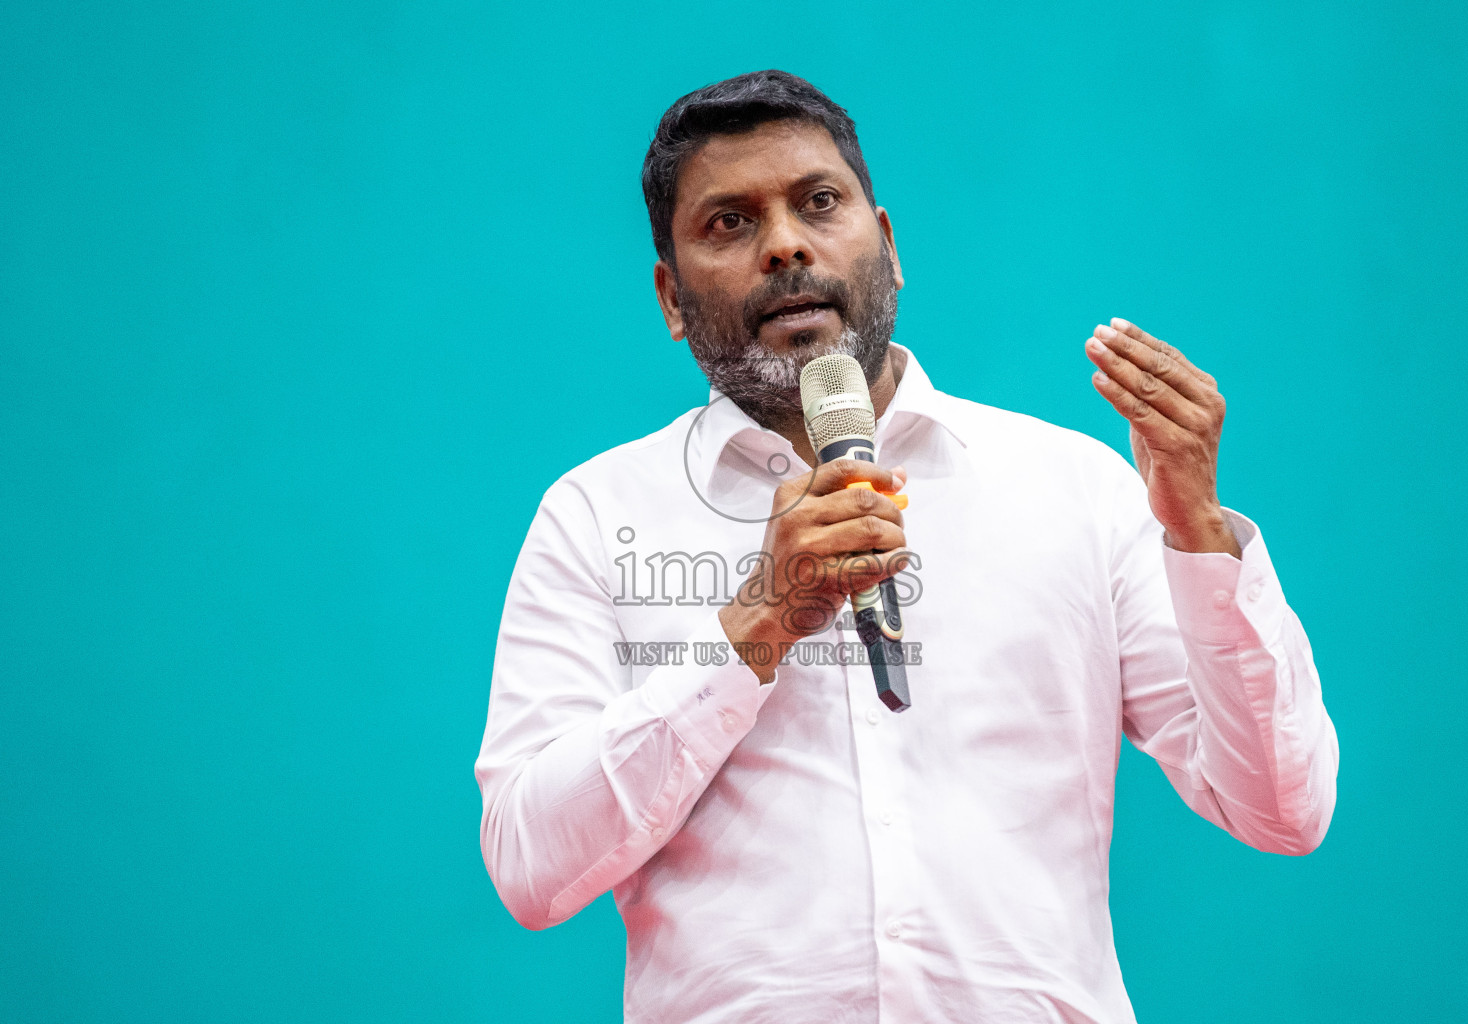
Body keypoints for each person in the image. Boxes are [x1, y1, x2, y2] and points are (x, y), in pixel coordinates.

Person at [475, 69, 1339, 1024]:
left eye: (818, 203)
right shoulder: (599, 515)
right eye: (730, 222)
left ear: (886, 247)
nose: (787, 245)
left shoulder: (1076, 488)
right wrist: (755, 628)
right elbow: (529, 867)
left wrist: (1200, 535)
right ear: (672, 300)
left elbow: (1281, 808)